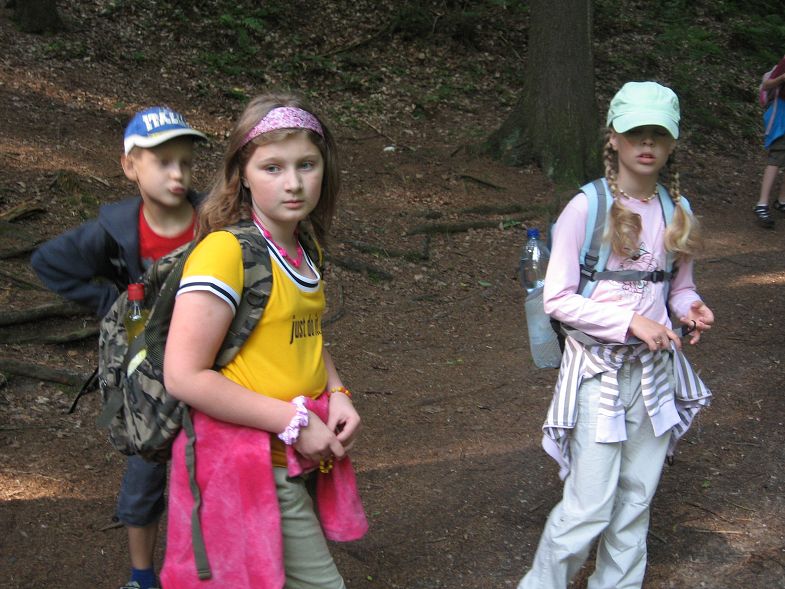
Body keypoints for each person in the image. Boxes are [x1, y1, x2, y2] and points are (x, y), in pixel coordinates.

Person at [160, 94, 366, 588]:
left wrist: (336, 391)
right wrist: (294, 422)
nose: (293, 183)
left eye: (306, 165)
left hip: (295, 453)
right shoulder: (224, 254)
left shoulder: (303, 246)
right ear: (243, 174)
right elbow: (183, 375)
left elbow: (301, 332)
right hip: (247, 460)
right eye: (272, 167)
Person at [516, 81, 714, 589]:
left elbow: (678, 287)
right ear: (613, 138)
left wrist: (689, 308)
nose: (646, 143)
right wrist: (630, 322)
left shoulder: (677, 210)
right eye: (635, 132)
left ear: (672, 143)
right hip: (596, 375)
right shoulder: (587, 207)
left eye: (658, 134)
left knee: (636, 498)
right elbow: (557, 299)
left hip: (654, 374)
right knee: (588, 505)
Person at [31, 106, 208, 589]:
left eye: (185, 162)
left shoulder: (214, 220)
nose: (177, 174)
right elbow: (49, 261)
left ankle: (208, 570)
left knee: (208, 463)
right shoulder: (114, 231)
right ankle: (142, 575)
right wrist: (111, 302)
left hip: (211, 363)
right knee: (145, 467)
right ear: (130, 166)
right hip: (144, 369)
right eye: (163, 162)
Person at [754, 54, 785, 228]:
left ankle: (782, 200)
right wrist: (783, 77)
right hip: (781, 115)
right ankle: (762, 203)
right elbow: (767, 85)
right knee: (776, 157)